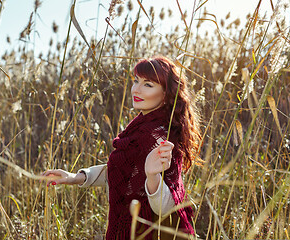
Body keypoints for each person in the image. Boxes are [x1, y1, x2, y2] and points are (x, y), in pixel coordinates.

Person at [42, 56, 201, 239]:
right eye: (136, 81)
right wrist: (76, 177)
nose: (136, 89)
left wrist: (152, 176)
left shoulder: (159, 136)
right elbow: (121, 169)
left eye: (148, 84)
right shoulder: (140, 127)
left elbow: (166, 208)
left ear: (166, 94)